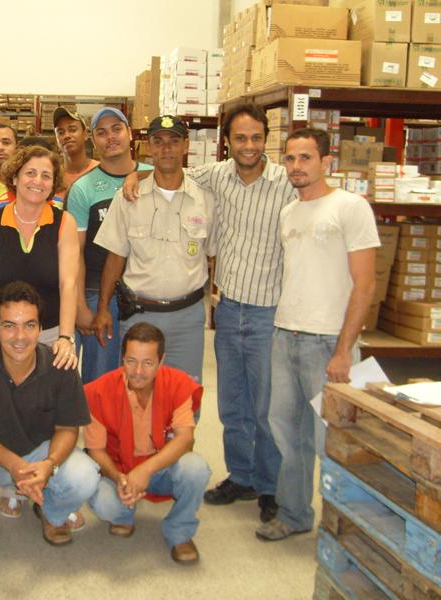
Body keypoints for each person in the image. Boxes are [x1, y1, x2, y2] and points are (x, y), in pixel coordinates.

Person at [124, 104, 294, 521]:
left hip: (268, 310)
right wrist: (134, 174)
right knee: (232, 403)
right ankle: (242, 476)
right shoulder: (215, 176)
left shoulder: (287, 182)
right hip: (227, 307)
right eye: (240, 138)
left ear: (266, 139)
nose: (248, 145)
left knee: (266, 406)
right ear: (228, 142)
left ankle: (270, 486)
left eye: (256, 137)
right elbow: (167, 169)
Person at [256, 128, 378, 542]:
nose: (296, 166)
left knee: (334, 438)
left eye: (305, 158)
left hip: (328, 342)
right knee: (286, 433)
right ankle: (294, 514)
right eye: (290, 159)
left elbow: (365, 285)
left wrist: (344, 350)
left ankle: (346, 525)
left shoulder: (350, 207)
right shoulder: (289, 213)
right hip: (285, 335)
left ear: (327, 161)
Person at [0, 282, 99, 555]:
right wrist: (13, 464)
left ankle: (52, 513)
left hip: (40, 456)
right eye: (9, 326)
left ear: (40, 329)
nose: (20, 336)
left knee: (85, 474)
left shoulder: (61, 365)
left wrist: (49, 465)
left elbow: (67, 429)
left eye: (29, 325)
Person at [94, 115, 215, 384]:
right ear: (148, 147)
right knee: (136, 393)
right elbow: (115, 257)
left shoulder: (205, 199)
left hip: (188, 318)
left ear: (186, 146)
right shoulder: (129, 197)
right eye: (158, 142)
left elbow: (214, 254)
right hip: (140, 316)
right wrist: (103, 308)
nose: (166, 148)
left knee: (185, 395)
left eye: (174, 141)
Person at [85, 322, 210, 563]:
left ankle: (180, 531)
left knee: (195, 468)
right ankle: (123, 515)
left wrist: (145, 470)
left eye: (148, 363)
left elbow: (185, 438)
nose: (138, 371)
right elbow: (95, 450)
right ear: (122, 358)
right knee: (103, 501)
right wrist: (119, 478)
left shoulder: (177, 383)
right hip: (119, 471)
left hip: (160, 469)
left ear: (161, 361)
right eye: (131, 361)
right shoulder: (99, 391)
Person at [0, 144, 79, 369]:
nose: (37, 181)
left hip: (49, 334)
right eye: (30, 173)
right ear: (15, 178)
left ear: (53, 184)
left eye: (46, 176)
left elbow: (68, 284)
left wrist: (66, 337)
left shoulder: (64, 223)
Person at [66, 107, 153, 385]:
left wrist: (136, 176)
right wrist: (80, 305)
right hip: (98, 295)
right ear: (93, 141)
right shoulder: (83, 188)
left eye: (117, 129)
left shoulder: (154, 175)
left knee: (142, 380)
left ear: (130, 133)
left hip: (146, 294)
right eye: (102, 133)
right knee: (101, 382)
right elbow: (75, 254)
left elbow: (183, 175)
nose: (111, 137)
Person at [53, 107, 98, 195]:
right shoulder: (53, 177)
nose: (66, 136)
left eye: (72, 130)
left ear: (85, 134)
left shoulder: (100, 171)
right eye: (60, 132)